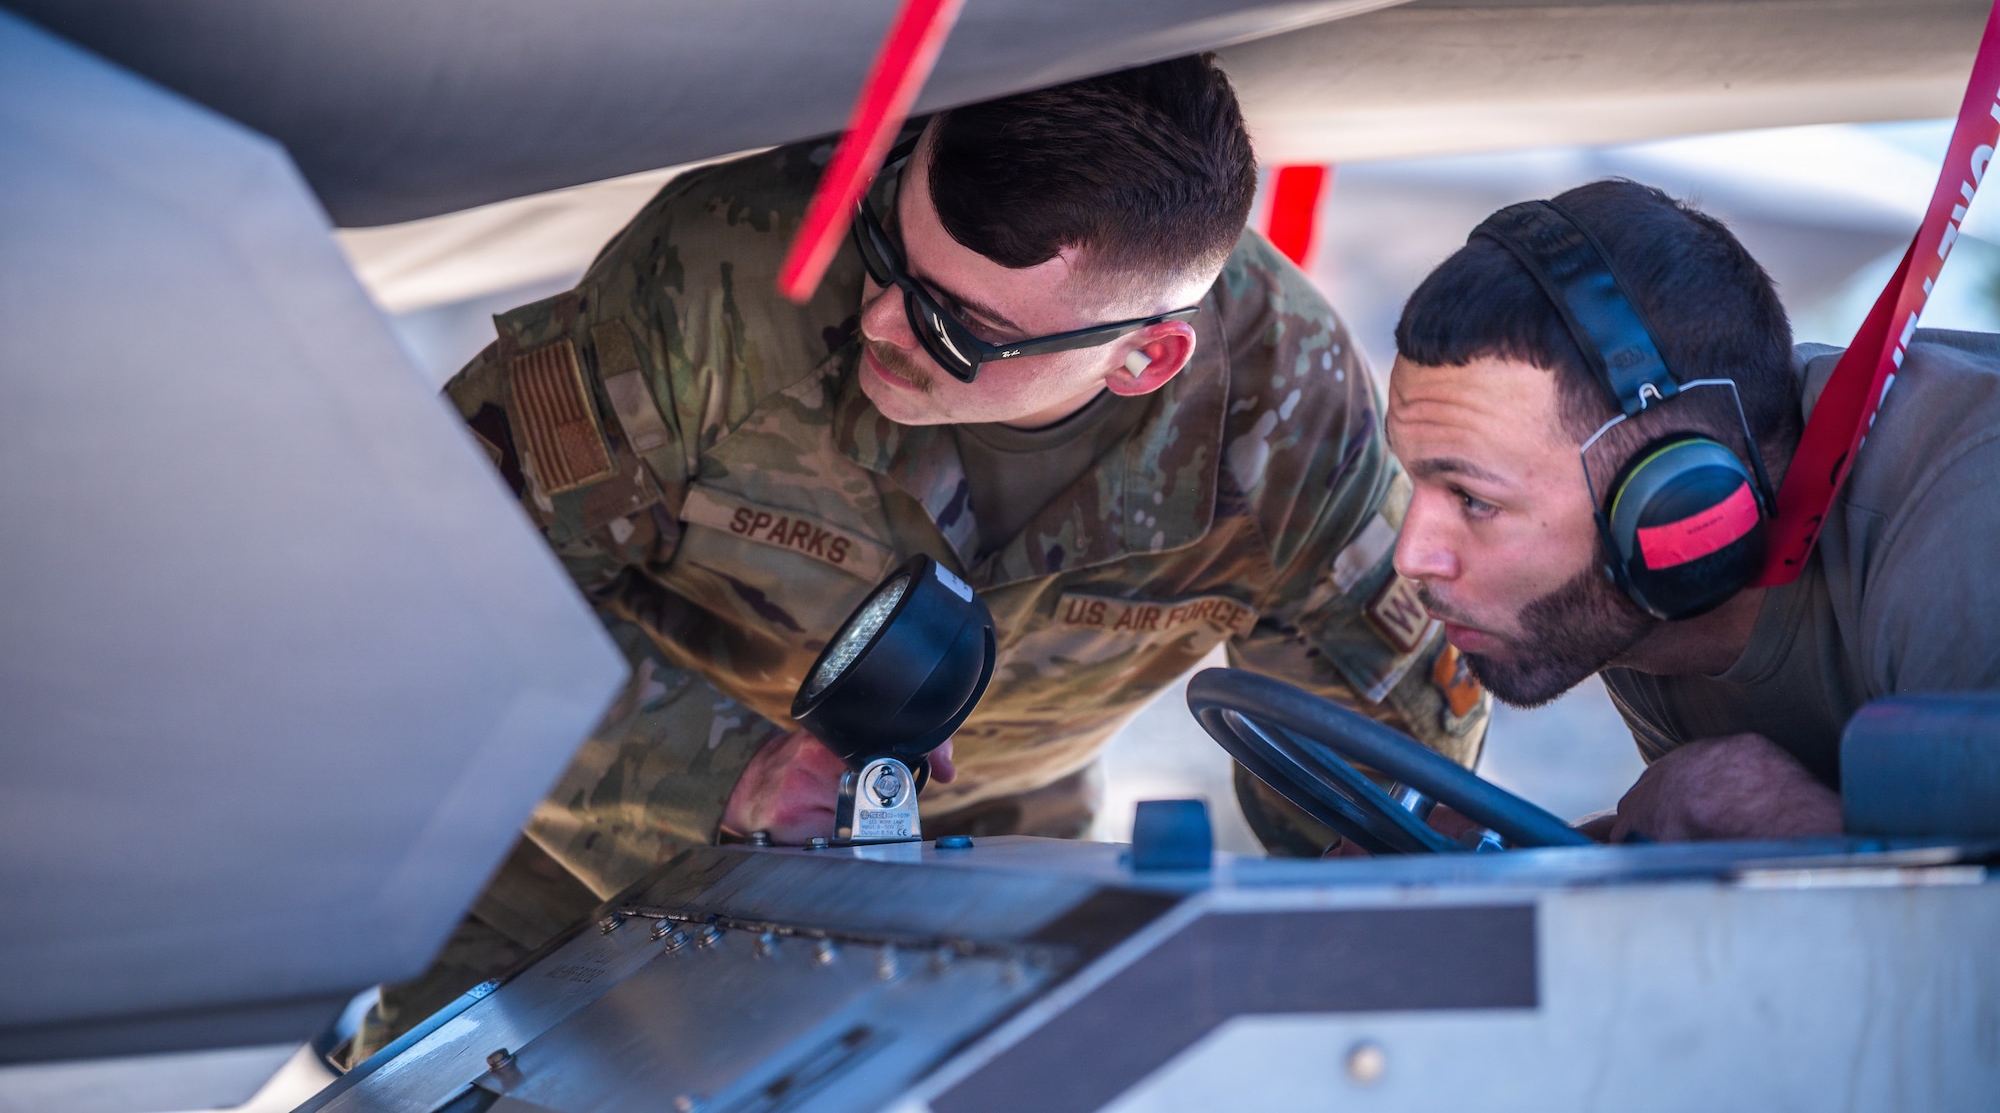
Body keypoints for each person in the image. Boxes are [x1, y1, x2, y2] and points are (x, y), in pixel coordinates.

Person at [347, 56, 1482, 1060]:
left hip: (982, 888)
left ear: (1144, 356)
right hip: (579, 847)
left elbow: (1384, 794)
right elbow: (438, 589)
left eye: (956, 328)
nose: (880, 319)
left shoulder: (1285, 414)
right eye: (889, 243)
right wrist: (722, 783)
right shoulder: (729, 277)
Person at [1386, 178, 2000, 844]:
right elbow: (1717, 846)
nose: (1412, 554)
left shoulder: (1967, 507)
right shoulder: (1636, 595)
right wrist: (1485, 862)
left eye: (1474, 499)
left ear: (1675, 504)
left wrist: (1786, 821)